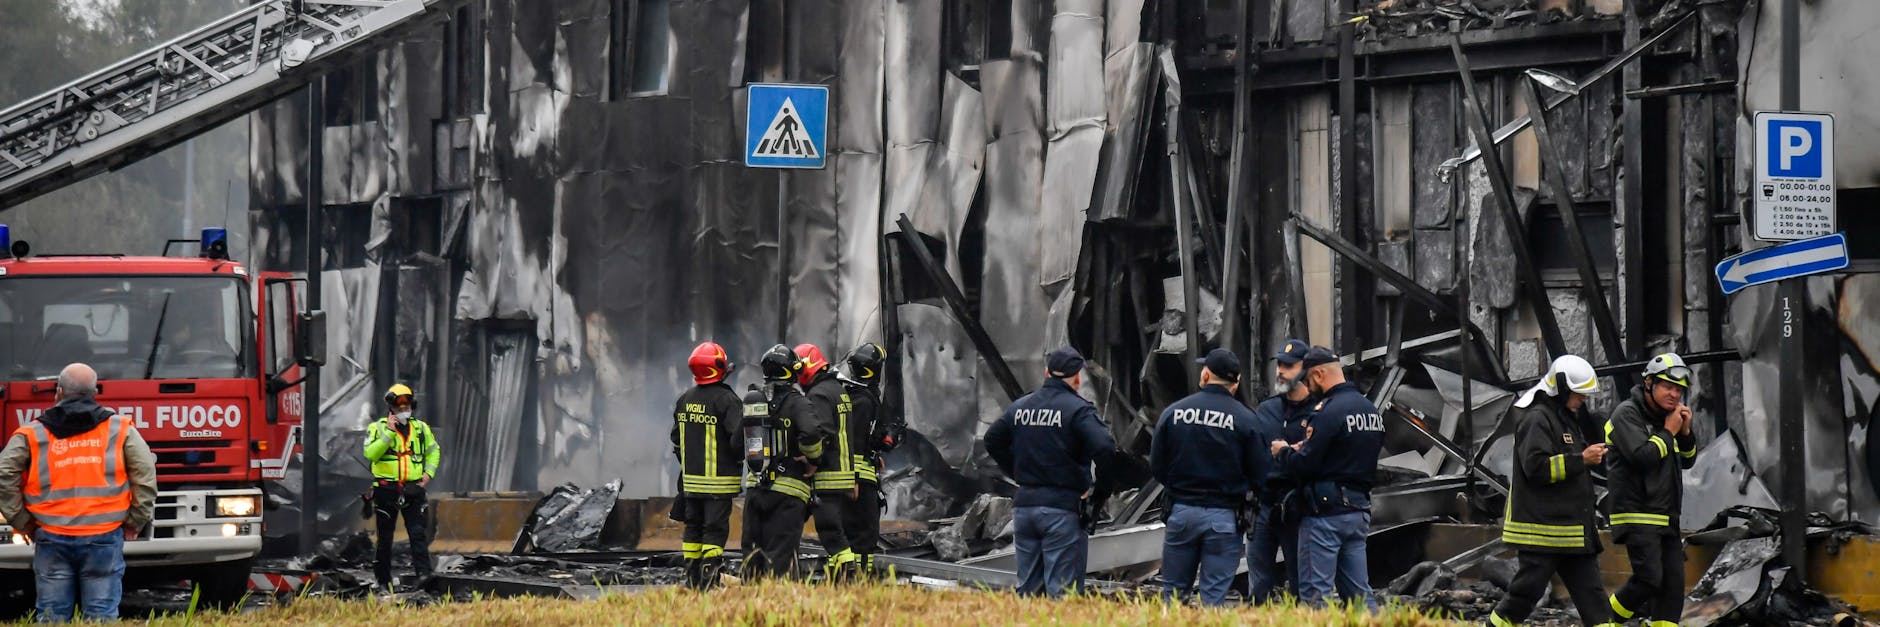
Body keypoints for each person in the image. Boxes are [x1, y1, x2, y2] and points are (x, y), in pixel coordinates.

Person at [0, 363, 156, 621]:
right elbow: (145, 475)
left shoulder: (32, 433)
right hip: (104, 537)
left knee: (52, 616)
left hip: (50, 535)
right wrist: (136, 520)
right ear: (95, 392)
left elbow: (4, 474)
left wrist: (22, 522)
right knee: (101, 616)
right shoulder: (120, 429)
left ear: (58, 392)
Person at [1488, 355, 1617, 627]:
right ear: (1561, 389)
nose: (1583, 400)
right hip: (1543, 531)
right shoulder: (1537, 418)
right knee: (1525, 593)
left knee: (1593, 596)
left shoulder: (1564, 418)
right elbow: (1536, 468)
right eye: (1578, 394)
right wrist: (1581, 459)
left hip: (1571, 530)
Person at [983, 347, 1116, 598]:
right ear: (1077, 378)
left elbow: (992, 439)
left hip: (1024, 508)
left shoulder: (1021, 406)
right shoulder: (1078, 410)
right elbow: (1106, 447)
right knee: (1062, 596)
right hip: (1062, 511)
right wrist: (1100, 493)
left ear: (1046, 373)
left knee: (1028, 593)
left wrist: (1017, 471)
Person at [1270, 346, 1383, 611]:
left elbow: (1303, 465)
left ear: (1319, 374)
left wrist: (1283, 452)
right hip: (1358, 511)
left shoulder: (1327, 411)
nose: (1308, 388)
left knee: (1314, 595)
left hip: (1325, 514)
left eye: (1308, 381)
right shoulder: (1368, 409)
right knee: (1359, 595)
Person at [1152, 348, 1267, 606]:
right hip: (1224, 518)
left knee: (1173, 596)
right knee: (1213, 599)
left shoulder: (1175, 412)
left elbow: (1157, 465)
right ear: (1236, 383)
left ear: (1205, 375)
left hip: (1181, 513)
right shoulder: (1247, 419)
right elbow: (1261, 474)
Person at [1604, 353, 1698, 627]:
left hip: (1666, 516)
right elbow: (1641, 457)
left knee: (1672, 586)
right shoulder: (1627, 414)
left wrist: (1685, 432)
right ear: (1649, 383)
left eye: (1679, 389)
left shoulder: (1669, 418)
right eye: (1668, 386)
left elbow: (1689, 459)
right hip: (1637, 514)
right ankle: (1603, 619)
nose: (1674, 394)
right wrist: (1669, 431)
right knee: (1649, 579)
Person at [740, 345, 826, 579]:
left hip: (756, 489)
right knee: (781, 557)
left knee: (752, 555)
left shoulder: (753, 401)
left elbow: (741, 439)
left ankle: (750, 605)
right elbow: (811, 434)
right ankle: (779, 606)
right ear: (791, 372)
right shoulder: (798, 402)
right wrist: (813, 459)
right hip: (788, 492)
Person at [671, 342, 744, 590]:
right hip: (719, 484)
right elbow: (739, 440)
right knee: (714, 531)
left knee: (693, 530)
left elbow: (676, 440)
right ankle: (709, 580)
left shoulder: (684, 400)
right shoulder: (727, 400)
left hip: (691, 484)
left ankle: (692, 579)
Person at [1246, 339, 1314, 604]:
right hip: (1264, 504)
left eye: (1288, 366)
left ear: (1305, 369)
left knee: (1300, 580)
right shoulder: (1266, 409)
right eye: (1279, 365)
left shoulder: (1319, 409)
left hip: (1298, 505)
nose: (1280, 371)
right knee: (1259, 580)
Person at [795, 343, 864, 581]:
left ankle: (847, 575)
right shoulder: (838, 390)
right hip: (842, 473)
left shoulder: (819, 394)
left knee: (829, 530)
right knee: (828, 527)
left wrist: (811, 460)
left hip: (827, 475)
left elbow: (822, 432)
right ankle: (839, 577)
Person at [363, 383, 442, 591]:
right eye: (400, 407)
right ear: (391, 408)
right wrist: (388, 434)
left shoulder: (421, 429)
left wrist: (428, 474)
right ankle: (383, 580)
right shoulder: (377, 428)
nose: (404, 410)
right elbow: (371, 454)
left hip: (413, 489)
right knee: (385, 537)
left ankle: (424, 575)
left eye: (407, 406)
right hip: (386, 490)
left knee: (417, 533)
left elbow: (434, 451)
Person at [839, 343, 895, 579]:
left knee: (863, 531)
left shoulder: (859, 397)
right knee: (864, 533)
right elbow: (852, 442)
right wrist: (851, 478)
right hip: (859, 481)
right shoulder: (862, 401)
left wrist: (876, 453)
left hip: (862, 475)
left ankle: (855, 577)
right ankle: (858, 579)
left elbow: (864, 437)